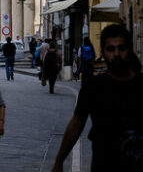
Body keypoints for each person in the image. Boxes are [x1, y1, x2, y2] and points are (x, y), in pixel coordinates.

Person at [51, 24, 143, 172]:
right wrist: (59, 161)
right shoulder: (93, 87)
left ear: (129, 49)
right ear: (103, 52)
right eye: (111, 49)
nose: (116, 54)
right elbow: (76, 124)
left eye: (121, 48)